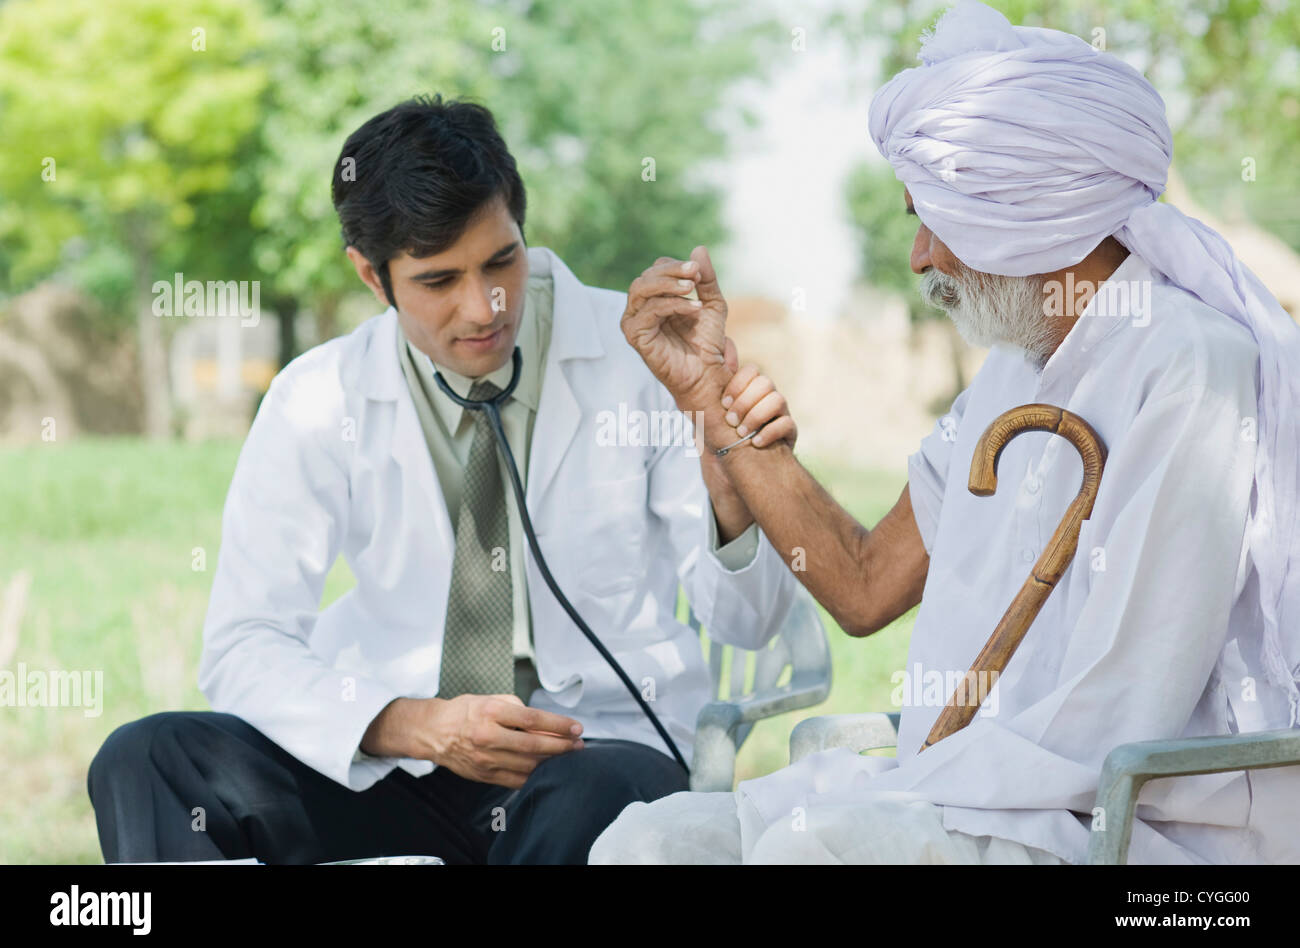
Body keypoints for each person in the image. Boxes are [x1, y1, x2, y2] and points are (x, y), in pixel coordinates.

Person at [594, 0, 1300, 864]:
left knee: (808, 850)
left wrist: (898, 788)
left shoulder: (1191, 364)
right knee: (651, 839)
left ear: (1032, 210)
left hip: (1131, 829)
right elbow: (862, 584)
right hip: (969, 794)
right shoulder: (1016, 363)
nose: (922, 255)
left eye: (939, 218)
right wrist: (716, 408)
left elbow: (1117, 718)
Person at [86, 95, 800, 865]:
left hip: (598, 753)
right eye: (438, 280)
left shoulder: (646, 362)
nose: (483, 306)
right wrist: (409, 722)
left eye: (502, 260)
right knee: (148, 758)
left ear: (523, 230)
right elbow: (243, 643)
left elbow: (751, 623)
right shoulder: (318, 398)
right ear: (373, 275)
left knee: (580, 798)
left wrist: (729, 469)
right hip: (401, 763)